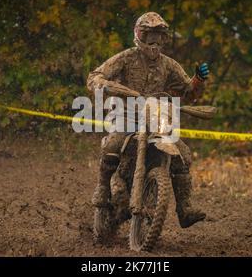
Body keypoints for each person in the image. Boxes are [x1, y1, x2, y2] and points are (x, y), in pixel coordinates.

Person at [87, 12, 210, 228]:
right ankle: (103, 187)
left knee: (184, 154)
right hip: (125, 114)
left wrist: (198, 80)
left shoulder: (169, 65)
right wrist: (106, 85)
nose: (154, 42)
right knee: (113, 144)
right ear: (139, 35)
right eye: (149, 35)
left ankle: (185, 208)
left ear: (164, 39)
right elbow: (95, 76)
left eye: (159, 36)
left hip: (155, 117)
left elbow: (188, 92)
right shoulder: (126, 57)